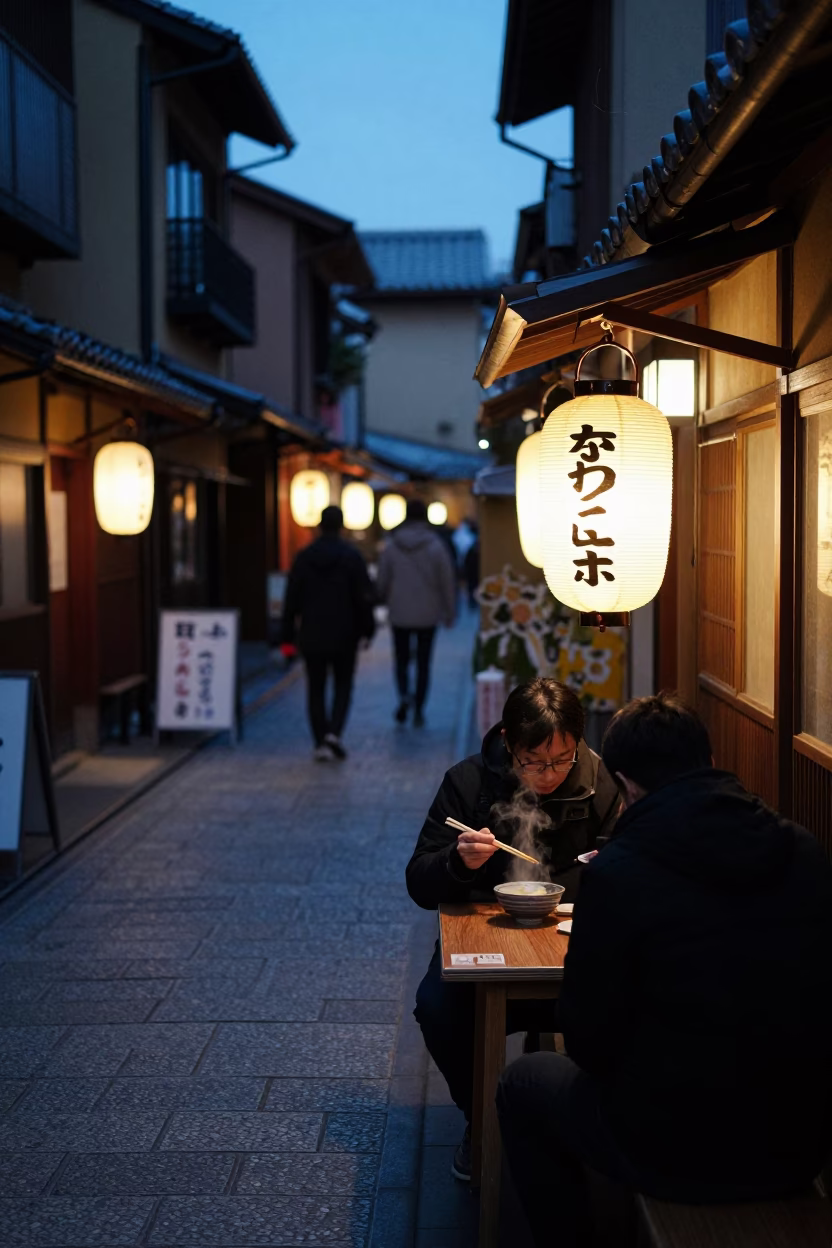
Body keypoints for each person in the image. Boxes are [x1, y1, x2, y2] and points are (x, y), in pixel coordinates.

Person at [497, 693, 832, 1248]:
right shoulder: (802, 849)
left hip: (673, 1148)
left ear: (625, 784)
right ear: (705, 758)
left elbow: (586, 1038)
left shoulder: (623, 871)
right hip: (797, 1143)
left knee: (525, 1080)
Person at [406, 678, 619, 1180]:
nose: (548, 774)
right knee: (436, 1008)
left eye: (562, 758)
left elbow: (626, 865)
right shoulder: (469, 783)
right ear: (507, 741)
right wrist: (459, 864)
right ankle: (479, 1119)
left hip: (575, 946)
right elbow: (418, 882)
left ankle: (586, 1123)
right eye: (534, 761)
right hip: (486, 941)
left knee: (626, 1003)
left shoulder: (602, 781)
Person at [280, 504, 375, 762]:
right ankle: (334, 734)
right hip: (345, 633)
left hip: (311, 632)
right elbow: (363, 597)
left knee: (316, 686)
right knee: (343, 684)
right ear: (341, 525)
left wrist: (286, 637)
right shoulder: (351, 556)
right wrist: (368, 629)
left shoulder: (304, 556)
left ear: (320, 525)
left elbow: (291, 599)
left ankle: (320, 739)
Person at [377, 499, 456, 727]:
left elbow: (382, 579)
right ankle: (419, 708)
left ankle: (403, 695)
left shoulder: (392, 544)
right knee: (423, 662)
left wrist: (381, 598)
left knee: (401, 659)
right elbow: (446, 581)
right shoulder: (436, 545)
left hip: (399, 611)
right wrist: (449, 612)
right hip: (427, 613)